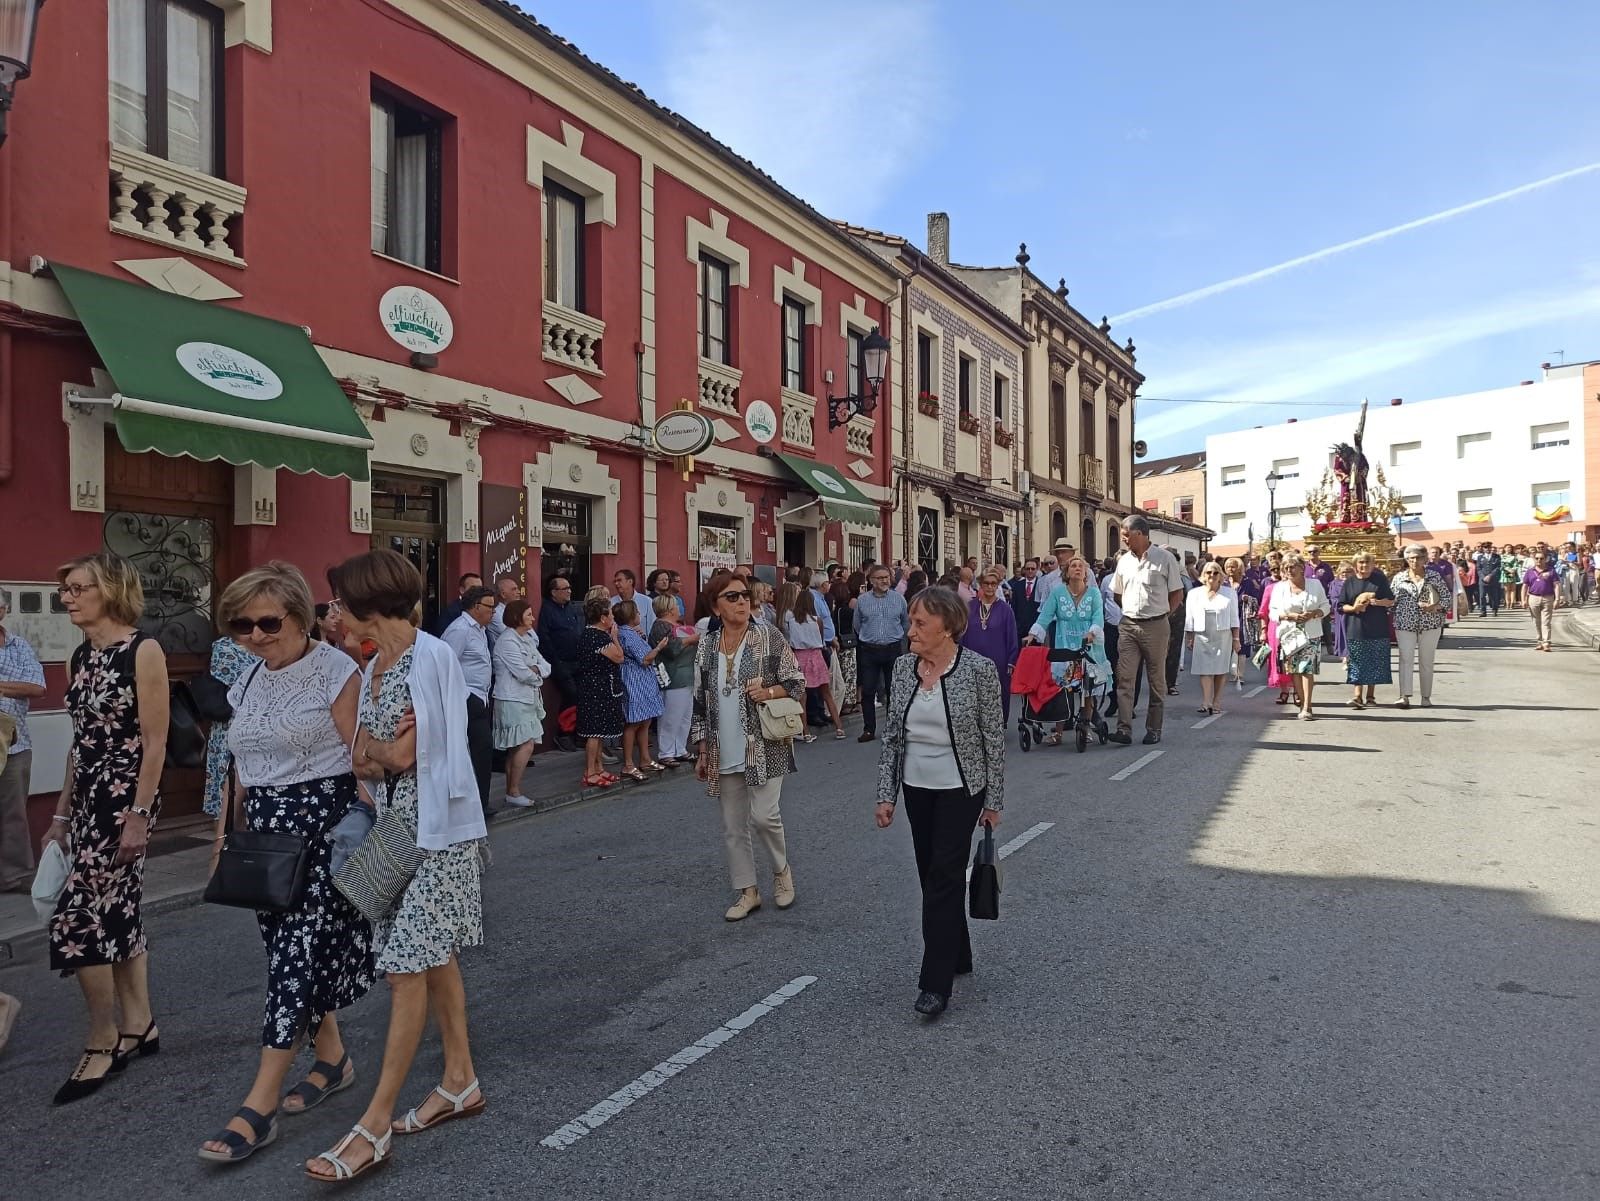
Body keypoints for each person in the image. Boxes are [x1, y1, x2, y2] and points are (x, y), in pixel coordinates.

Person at [306, 549, 487, 1183]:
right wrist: (384, 749)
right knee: (433, 959)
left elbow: (406, 758)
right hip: (396, 827)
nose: (331, 612)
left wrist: (383, 751)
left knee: (405, 967)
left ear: (365, 604)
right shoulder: (375, 666)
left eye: (337, 602)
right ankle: (459, 1081)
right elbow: (365, 758)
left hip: (438, 832)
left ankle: (373, 1126)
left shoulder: (430, 658)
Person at [198, 563, 374, 1164]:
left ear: (299, 616)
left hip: (323, 829)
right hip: (265, 838)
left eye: (267, 622)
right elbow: (239, 767)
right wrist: (226, 834)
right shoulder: (247, 678)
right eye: (241, 624)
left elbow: (360, 761)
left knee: (295, 958)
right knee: (284, 953)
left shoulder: (336, 670)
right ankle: (333, 1060)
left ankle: (259, 1104)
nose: (254, 634)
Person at [45, 552, 169, 1105]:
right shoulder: (81, 656)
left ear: (110, 589)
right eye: (65, 590)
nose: (67, 598)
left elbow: (156, 741)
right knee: (117, 910)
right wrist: (61, 812)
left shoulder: (143, 651)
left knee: (75, 918)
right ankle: (139, 1024)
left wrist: (139, 816)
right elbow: (80, 742)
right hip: (91, 798)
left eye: (77, 588)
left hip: (126, 798)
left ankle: (102, 1040)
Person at [874, 587, 1004, 1020]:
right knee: (930, 872)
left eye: (919, 623)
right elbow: (892, 737)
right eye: (910, 622)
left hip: (961, 788)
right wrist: (886, 794)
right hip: (917, 786)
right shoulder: (902, 669)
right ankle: (959, 952)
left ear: (948, 627)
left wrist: (994, 800)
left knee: (944, 877)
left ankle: (935, 983)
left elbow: (992, 739)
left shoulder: (979, 670)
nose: (910, 631)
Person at [691, 576, 806, 921]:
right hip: (723, 745)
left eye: (745, 595)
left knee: (764, 816)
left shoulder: (768, 636)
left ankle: (781, 872)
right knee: (732, 824)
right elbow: (700, 700)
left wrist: (769, 692)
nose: (743, 601)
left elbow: (796, 683)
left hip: (765, 744)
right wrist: (701, 750)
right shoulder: (708, 644)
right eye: (733, 596)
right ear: (716, 606)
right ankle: (748, 891)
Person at [1109, 516, 1184, 746]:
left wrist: (1162, 616)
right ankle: (1124, 729)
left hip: (1156, 625)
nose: (1123, 539)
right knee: (1125, 677)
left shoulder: (1165, 558)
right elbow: (1117, 593)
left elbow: (1177, 594)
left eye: (1126, 535)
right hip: (1129, 625)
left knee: (1156, 679)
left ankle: (1154, 728)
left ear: (1140, 533)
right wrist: (1132, 611)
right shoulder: (1123, 561)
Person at [1027, 557, 1109, 743]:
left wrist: (1092, 632)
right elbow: (1045, 617)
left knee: (1087, 689)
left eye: (1081, 566)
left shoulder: (1094, 593)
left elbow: (1098, 617)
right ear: (1067, 572)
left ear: (1086, 573)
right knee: (1062, 689)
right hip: (1064, 643)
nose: (1078, 568)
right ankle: (1058, 731)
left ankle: (1085, 727)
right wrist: (1033, 635)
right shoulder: (1057, 593)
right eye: (1074, 566)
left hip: (1088, 646)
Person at [0, 587, 46, 893]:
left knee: (13, 813)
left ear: (4, 611)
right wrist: (13, 686)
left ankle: (13, 877)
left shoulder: (19, 646)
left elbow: (37, 686)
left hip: (15, 743)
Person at [440, 585, 496, 818]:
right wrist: (467, 697)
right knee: (475, 751)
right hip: (466, 699)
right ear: (476, 607)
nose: (493, 612)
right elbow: (445, 665)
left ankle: (480, 803)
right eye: (490, 607)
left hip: (480, 697)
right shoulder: (459, 630)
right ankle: (473, 806)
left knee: (482, 753)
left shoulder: (480, 630)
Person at [490, 598, 549, 807]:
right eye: (528, 615)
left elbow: (545, 665)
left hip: (528, 698)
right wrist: (536, 672)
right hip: (512, 699)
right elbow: (522, 673)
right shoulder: (507, 641)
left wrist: (536, 670)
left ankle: (512, 790)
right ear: (517, 617)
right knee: (524, 744)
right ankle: (513, 791)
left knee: (521, 745)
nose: (533, 618)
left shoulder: (527, 639)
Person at [200, 635, 260, 824]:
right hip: (231, 727)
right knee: (229, 792)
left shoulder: (265, 645)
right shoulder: (224, 647)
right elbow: (247, 682)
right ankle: (224, 846)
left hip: (258, 727)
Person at [777, 583, 844, 740]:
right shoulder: (817, 620)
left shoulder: (791, 621)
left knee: (802, 696)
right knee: (826, 693)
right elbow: (820, 639)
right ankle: (839, 727)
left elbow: (791, 640)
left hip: (799, 656)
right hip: (816, 655)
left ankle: (805, 731)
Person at [852, 565, 909, 744]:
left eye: (887, 577)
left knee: (894, 691)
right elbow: (857, 624)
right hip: (869, 650)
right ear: (871, 581)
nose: (885, 580)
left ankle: (894, 729)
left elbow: (905, 623)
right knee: (868, 691)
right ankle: (869, 729)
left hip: (893, 649)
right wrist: (870, 637)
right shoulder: (862, 601)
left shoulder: (899, 599)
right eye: (880, 577)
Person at [1268, 554, 1328, 721]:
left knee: (1307, 670)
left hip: (1311, 633)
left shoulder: (1315, 584)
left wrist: (1315, 613)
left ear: (1302, 567)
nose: (1289, 570)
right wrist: (1288, 616)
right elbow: (1272, 612)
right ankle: (1301, 704)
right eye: (1286, 567)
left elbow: (1326, 605)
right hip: (1289, 634)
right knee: (1295, 670)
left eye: (1292, 566)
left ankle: (1308, 706)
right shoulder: (1279, 588)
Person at [574, 596, 626, 787]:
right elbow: (619, 657)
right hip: (595, 689)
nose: (613, 617)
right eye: (610, 614)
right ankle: (590, 771)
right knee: (594, 732)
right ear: (603, 618)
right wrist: (614, 638)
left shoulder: (593, 635)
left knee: (600, 731)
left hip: (602, 688)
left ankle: (599, 768)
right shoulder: (595, 636)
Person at [614, 599, 667, 778]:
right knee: (634, 722)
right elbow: (645, 659)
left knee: (645, 721)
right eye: (636, 612)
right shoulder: (627, 634)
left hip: (642, 680)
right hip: (635, 681)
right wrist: (659, 647)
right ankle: (628, 763)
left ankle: (645, 758)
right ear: (630, 616)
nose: (639, 615)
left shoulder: (628, 632)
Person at [1391, 546, 1447, 708]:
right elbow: (1391, 600)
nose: (1415, 561)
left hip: (1430, 624)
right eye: (1411, 558)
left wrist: (1434, 607)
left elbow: (1446, 599)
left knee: (1426, 661)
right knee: (1405, 659)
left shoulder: (1434, 576)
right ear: (1406, 560)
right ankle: (1404, 695)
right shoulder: (1399, 578)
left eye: (1418, 558)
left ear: (1424, 559)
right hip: (1405, 624)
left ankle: (1426, 696)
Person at [962, 569, 1018, 723]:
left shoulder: (1005, 610)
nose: (990, 587)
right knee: (974, 693)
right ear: (980, 584)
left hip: (997, 660)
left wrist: (1011, 660)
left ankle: (997, 724)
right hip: (972, 658)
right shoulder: (969, 607)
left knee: (996, 693)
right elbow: (962, 633)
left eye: (993, 583)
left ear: (998, 585)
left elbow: (1012, 636)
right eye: (986, 583)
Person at [1340, 551, 1396, 708]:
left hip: (1376, 625)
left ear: (1373, 564)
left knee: (1374, 660)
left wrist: (1376, 602)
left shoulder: (1380, 580)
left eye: (1367, 562)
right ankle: (1357, 696)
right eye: (1361, 562)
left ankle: (1371, 696)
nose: (1364, 566)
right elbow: (1341, 605)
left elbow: (1390, 601)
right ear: (1355, 564)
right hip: (1355, 626)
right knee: (1357, 661)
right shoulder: (1349, 582)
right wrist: (1353, 608)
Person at [1184, 562, 1240, 716]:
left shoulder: (1230, 593)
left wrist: (1236, 638)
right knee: (1204, 669)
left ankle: (1217, 701)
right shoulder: (1194, 593)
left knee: (1220, 670)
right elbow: (1189, 617)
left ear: (1220, 575)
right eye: (1208, 572)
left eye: (1215, 573)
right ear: (1203, 574)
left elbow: (1234, 617)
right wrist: (1190, 637)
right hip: (1202, 635)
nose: (1212, 576)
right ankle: (1206, 701)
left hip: (1223, 635)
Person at [536, 575, 583, 753]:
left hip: (577, 660)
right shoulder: (547, 610)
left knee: (581, 696)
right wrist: (556, 662)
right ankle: (563, 733)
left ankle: (578, 733)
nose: (569, 591)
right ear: (554, 592)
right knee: (571, 695)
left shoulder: (571, 608)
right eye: (565, 588)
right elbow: (545, 638)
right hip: (560, 663)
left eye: (569, 587)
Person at [649, 594, 697, 766]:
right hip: (672, 676)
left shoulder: (677, 626)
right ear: (669, 609)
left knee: (685, 716)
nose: (679, 608)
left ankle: (680, 748)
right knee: (671, 716)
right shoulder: (660, 627)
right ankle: (666, 752)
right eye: (676, 605)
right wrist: (692, 639)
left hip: (687, 676)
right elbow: (671, 649)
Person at [831, 574, 863, 717]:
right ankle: (849, 703)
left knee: (840, 674)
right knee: (850, 674)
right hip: (849, 645)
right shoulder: (848, 611)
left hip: (837, 643)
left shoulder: (834, 611)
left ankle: (840, 702)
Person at [429, 572, 483, 638]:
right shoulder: (450, 612)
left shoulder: (482, 610)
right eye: (473, 588)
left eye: (480, 589)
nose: (478, 592)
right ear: (462, 590)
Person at [1524, 551, 1559, 651]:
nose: (1539, 560)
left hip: (1548, 598)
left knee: (1546, 621)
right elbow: (1525, 586)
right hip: (1533, 597)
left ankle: (1546, 642)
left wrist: (1557, 599)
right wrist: (1523, 600)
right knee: (1536, 621)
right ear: (1534, 559)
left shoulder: (1551, 570)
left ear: (1545, 559)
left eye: (1541, 558)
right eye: (1537, 558)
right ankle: (1539, 641)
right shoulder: (1530, 571)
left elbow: (1556, 585)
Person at [1008, 558, 1043, 644]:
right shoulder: (1017, 585)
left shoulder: (1042, 585)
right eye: (1028, 569)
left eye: (1033, 569)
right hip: (1020, 628)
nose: (1030, 571)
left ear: (1037, 569)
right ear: (1024, 570)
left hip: (1036, 627)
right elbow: (1014, 606)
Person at [1327, 562, 1355, 661]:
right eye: (1343, 572)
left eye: (1348, 572)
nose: (1345, 574)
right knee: (1343, 633)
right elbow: (1333, 599)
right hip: (1342, 613)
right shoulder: (1334, 584)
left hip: (1355, 613)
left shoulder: (1355, 583)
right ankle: (1345, 657)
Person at [486, 574, 523, 645]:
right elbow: (513, 636)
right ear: (503, 594)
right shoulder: (496, 614)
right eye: (514, 589)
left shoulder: (518, 612)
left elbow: (534, 638)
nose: (519, 592)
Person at [609, 569, 645, 633]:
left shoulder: (646, 601)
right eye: (615, 581)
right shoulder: (611, 602)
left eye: (619, 580)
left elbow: (651, 625)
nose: (616, 584)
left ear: (630, 581)